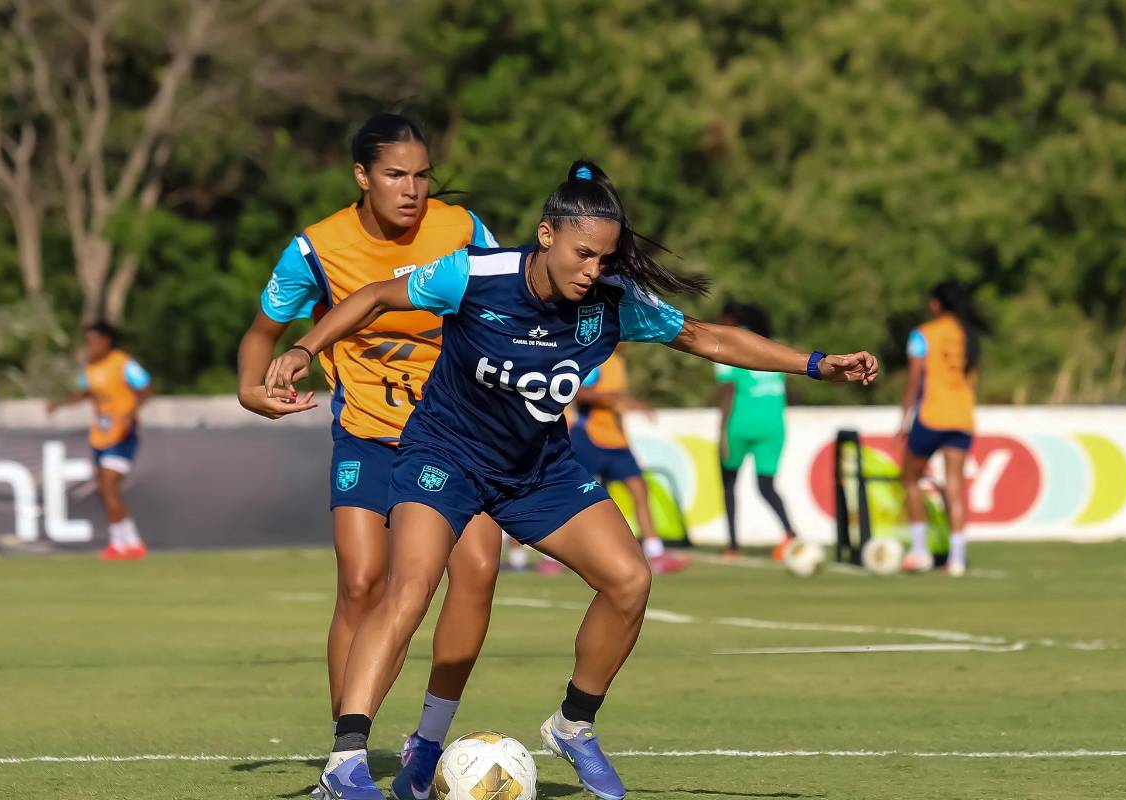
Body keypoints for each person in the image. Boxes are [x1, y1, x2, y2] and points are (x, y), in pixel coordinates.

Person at [263, 159, 878, 800]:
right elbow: (372, 297)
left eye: (605, 259)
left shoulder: (613, 301)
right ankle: (346, 761)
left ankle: (573, 725)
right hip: (444, 454)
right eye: (583, 254)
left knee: (629, 580)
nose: (593, 270)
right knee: (410, 589)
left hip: (538, 469)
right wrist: (305, 349)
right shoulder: (474, 274)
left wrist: (816, 364)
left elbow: (709, 339)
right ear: (546, 234)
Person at [235, 113, 504, 800]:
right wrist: (249, 388)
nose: (411, 190)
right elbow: (263, 331)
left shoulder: (462, 229)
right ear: (362, 176)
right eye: (394, 175)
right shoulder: (316, 248)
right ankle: (346, 757)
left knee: (476, 571)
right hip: (368, 434)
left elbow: (513, 299)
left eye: (422, 175)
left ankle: (428, 742)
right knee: (361, 583)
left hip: (460, 437)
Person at [570, 344, 688, 573]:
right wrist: (612, 397)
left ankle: (655, 552)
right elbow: (577, 392)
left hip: (617, 442)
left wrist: (632, 409)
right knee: (573, 494)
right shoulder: (596, 359)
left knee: (640, 489)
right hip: (589, 437)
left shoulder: (618, 362)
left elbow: (619, 403)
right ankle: (552, 557)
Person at [897, 280, 987, 577]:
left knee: (910, 478)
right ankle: (957, 559)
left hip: (932, 415)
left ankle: (920, 551)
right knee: (954, 486)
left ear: (936, 304)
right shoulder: (968, 334)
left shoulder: (923, 334)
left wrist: (904, 418)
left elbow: (915, 379)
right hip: (962, 417)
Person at [47, 321, 152, 560]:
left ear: (107, 341)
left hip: (122, 434)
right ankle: (131, 542)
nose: (90, 346)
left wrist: (129, 415)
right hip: (100, 435)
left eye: (94, 341)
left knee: (109, 486)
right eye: (88, 341)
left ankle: (118, 543)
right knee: (103, 489)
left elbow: (145, 389)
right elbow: (86, 393)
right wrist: (60, 404)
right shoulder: (91, 367)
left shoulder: (123, 363)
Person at [715, 301, 797, 560]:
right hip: (774, 425)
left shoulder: (730, 346)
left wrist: (721, 432)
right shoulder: (775, 346)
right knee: (767, 486)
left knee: (729, 485)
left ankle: (733, 546)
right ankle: (791, 535)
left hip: (739, 424)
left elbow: (728, 393)